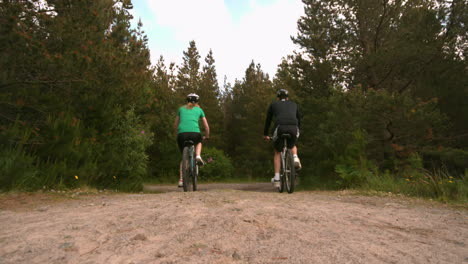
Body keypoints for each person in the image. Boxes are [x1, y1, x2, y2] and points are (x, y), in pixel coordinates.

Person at [263, 89, 301, 188]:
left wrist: (266, 134)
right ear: (287, 97)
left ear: (278, 98)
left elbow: (268, 120)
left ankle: (276, 178)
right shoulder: (294, 104)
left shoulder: (274, 104)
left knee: (277, 151)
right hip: (294, 127)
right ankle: (295, 157)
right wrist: (297, 130)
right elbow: (299, 119)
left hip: (280, 127)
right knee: (292, 144)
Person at [174, 93, 210, 187]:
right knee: (199, 141)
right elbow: (206, 126)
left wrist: (176, 134)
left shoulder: (181, 109)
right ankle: (198, 156)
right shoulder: (199, 110)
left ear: (187, 101)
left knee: (183, 158)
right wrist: (207, 136)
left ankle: (181, 180)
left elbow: (175, 125)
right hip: (195, 134)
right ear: (197, 102)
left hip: (182, 134)